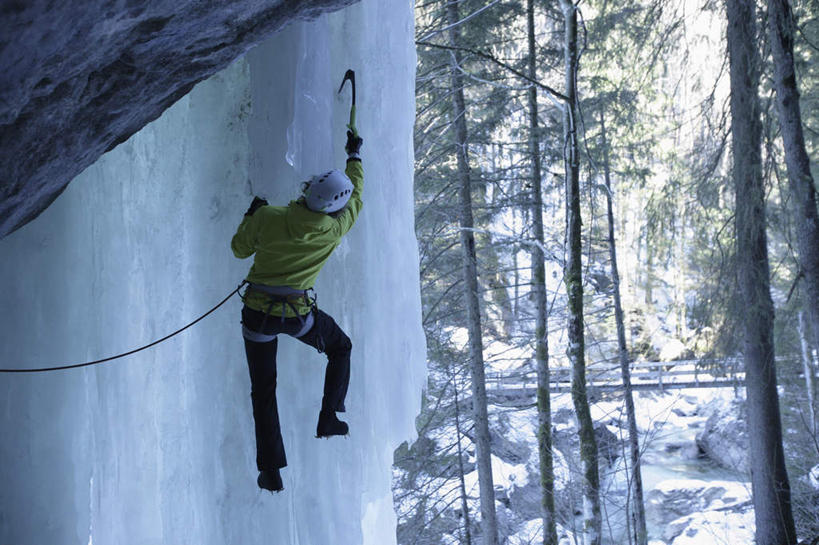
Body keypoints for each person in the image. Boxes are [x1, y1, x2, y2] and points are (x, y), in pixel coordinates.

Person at [231, 130, 364, 493]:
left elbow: (239, 249)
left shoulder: (270, 216)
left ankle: (270, 470)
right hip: (297, 317)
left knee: (263, 390)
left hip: (257, 316)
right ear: (333, 208)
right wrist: (354, 156)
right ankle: (329, 415)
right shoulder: (334, 230)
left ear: (307, 191)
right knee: (341, 347)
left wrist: (251, 214)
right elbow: (356, 197)